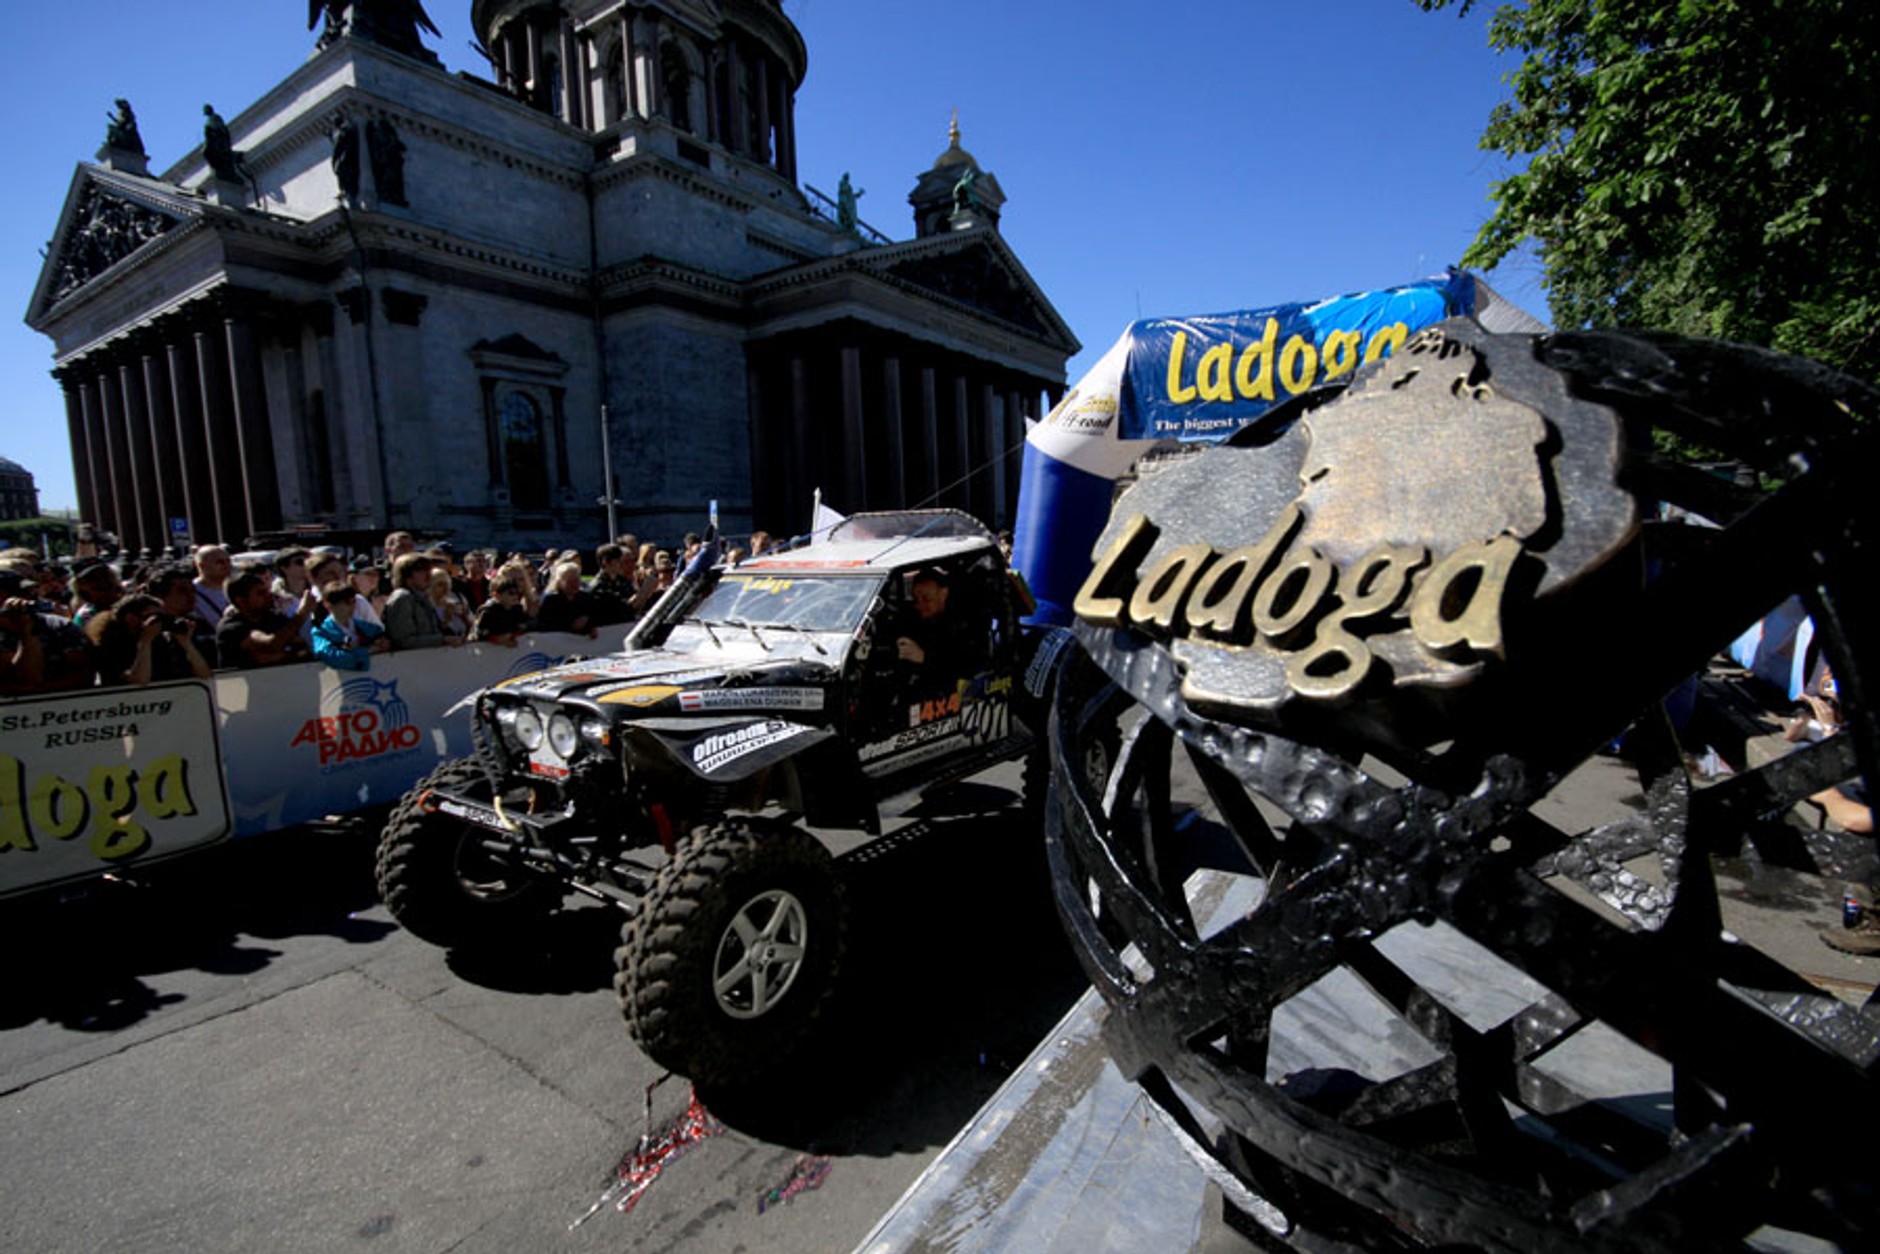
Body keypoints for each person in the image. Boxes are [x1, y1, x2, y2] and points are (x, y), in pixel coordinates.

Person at [87, 593, 212, 686]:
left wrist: (186, 643)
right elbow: (139, 681)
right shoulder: (112, 646)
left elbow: (204, 675)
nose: (159, 623)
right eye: (153, 617)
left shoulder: (163, 641)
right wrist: (145, 642)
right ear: (131, 618)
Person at [216, 568, 315, 668]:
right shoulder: (231, 627)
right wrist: (302, 613)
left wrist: (285, 654)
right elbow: (271, 644)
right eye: (260, 593)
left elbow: (300, 643)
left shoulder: (271, 617)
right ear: (242, 601)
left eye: (267, 591)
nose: (269, 596)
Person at [310, 580, 390, 670]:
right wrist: (369, 650)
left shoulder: (366, 628)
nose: (352, 606)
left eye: (354, 601)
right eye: (347, 602)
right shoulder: (321, 632)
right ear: (328, 604)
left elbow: (385, 643)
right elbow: (334, 658)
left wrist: (383, 644)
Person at [382, 552, 456, 650]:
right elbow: (402, 640)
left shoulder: (423, 597)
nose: (428, 574)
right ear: (407, 575)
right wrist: (442, 639)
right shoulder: (402, 598)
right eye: (421, 570)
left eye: (429, 569)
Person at [536, 561, 601, 638]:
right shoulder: (551, 600)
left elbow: (598, 617)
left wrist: (590, 626)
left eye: (576, 580)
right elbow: (545, 625)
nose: (574, 584)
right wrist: (570, 625)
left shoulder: (587, 598)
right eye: (569, 581)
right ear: (560, 581)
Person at [470, 571, 532, 645]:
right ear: (497, 595)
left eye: (517, 593)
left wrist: (513, 635)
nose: (515, 596)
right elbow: (478, 634)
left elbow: (523, 626)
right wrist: (496, 639)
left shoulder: (517, 609)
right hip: (488, 651)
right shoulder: (488, 611)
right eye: (511, 593)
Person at [193, 545, 233, 630]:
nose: (226, 565)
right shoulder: (191, 592)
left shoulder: (236, 587)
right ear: (202, 566)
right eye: (220, 562)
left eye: (228, 561)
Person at [427, 565, 472, 640]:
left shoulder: (458, 599)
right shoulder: (425, 606)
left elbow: (472, 626)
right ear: (430, 586)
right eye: (440, 585)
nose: (446, 588)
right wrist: (447, 618)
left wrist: (465, 616)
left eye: (447, 583)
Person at [348, 555, 387, 626]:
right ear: (354, 577)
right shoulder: (346, 602)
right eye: (368, 573)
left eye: (377, 574)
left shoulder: (382, 601)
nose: (374, 577)